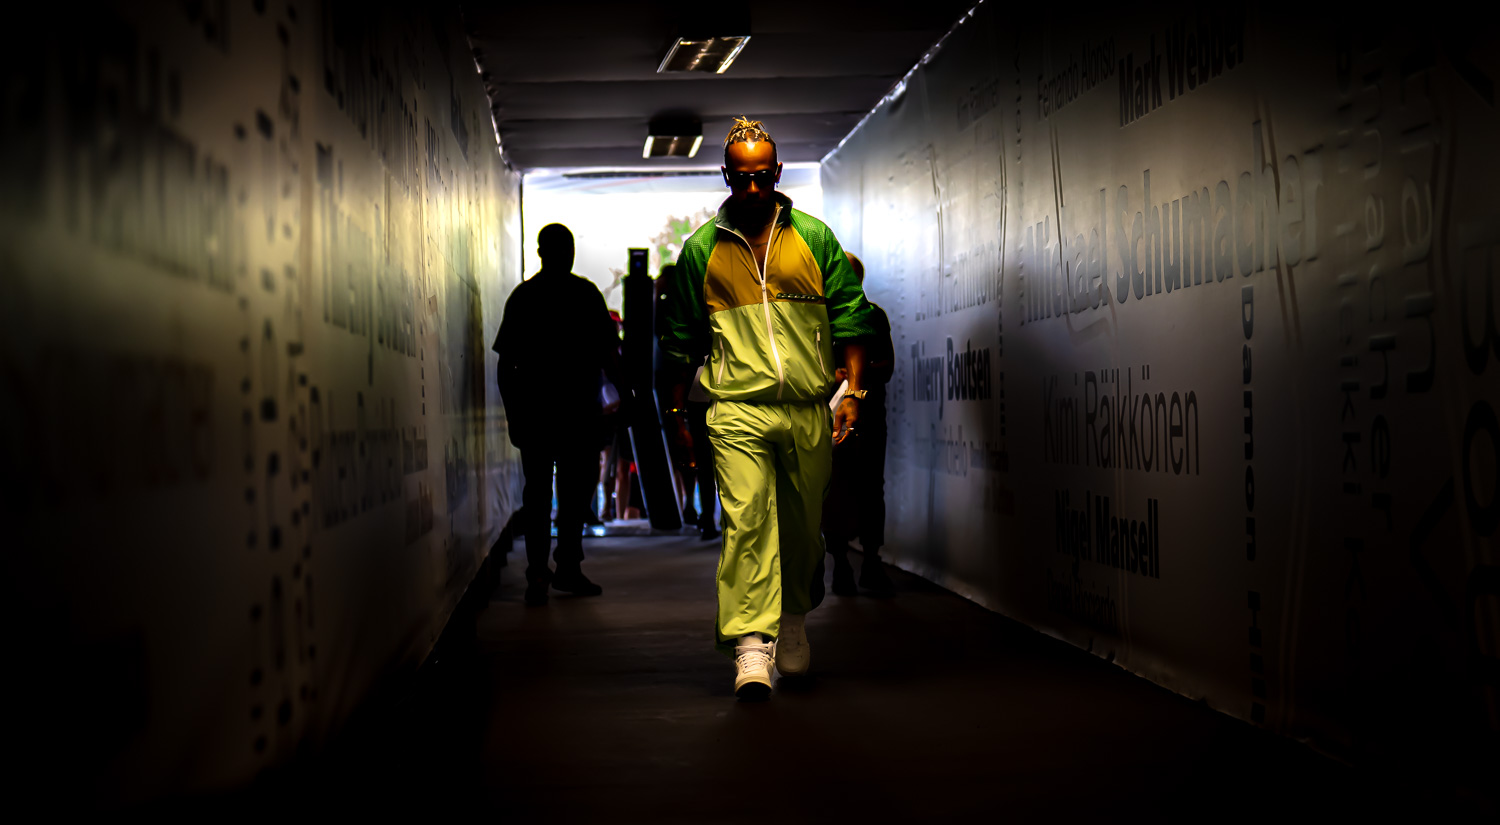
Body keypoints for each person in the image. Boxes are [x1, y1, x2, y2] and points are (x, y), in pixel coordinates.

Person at [659, 117, 878, 700]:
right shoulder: (702, 249)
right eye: (742, 179)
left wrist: (852, 391)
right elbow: (680, 341)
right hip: (737, 409)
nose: (753, 190)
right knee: (746, 521)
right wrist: (679, 416)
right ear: (726, 176)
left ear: (777, 173)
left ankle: (794, 621)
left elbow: (852, 319)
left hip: (807, 407)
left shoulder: (815, 238)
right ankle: (751, 647)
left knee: (805, 529)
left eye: (763, 177)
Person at [495, 223, 624, 606]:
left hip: (536, 413)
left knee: (538, 494)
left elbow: (506, 366)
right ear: (564, 252)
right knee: (573, 494)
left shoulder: (524, 297)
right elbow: (609, 355)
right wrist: (628, 396)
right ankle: (567, 566)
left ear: (540, 252)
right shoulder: (584, 294)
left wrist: (512, 414)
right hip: (577, 413)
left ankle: (538, 573)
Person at [819, 253, 896, 598]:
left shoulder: (873, 316)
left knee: (870, 488)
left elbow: (887, 366)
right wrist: (829, 377)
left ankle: (871, 560)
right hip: (828, 420)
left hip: (869, 416)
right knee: (833, 493)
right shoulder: (818, 319)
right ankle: (841, 563)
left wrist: (854, 379)